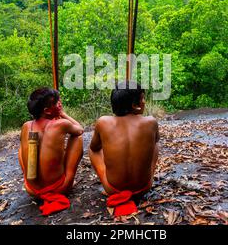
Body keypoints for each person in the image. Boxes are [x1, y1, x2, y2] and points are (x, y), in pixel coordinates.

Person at [89, 81, 160, 217]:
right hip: (144, 187)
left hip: (113, 189)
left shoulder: (103, 122)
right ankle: (146, 175)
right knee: (156, 143)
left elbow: (94, 148)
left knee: (93, 150)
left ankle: (110, 176)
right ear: (135, 105)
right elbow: (156, 141)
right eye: (143, 98)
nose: (144, 101)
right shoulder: (151, 122)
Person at [19, 87, 84, 216]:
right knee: (78, 137)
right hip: (58, 189)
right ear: (47, 111)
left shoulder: (26, 126)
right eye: (57, 103)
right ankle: (68, 179)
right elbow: (79, 129)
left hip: (31, 189)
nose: (60, 103)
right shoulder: (61, 124)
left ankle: (37, 183)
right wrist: (63, 114)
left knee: (22, 147)